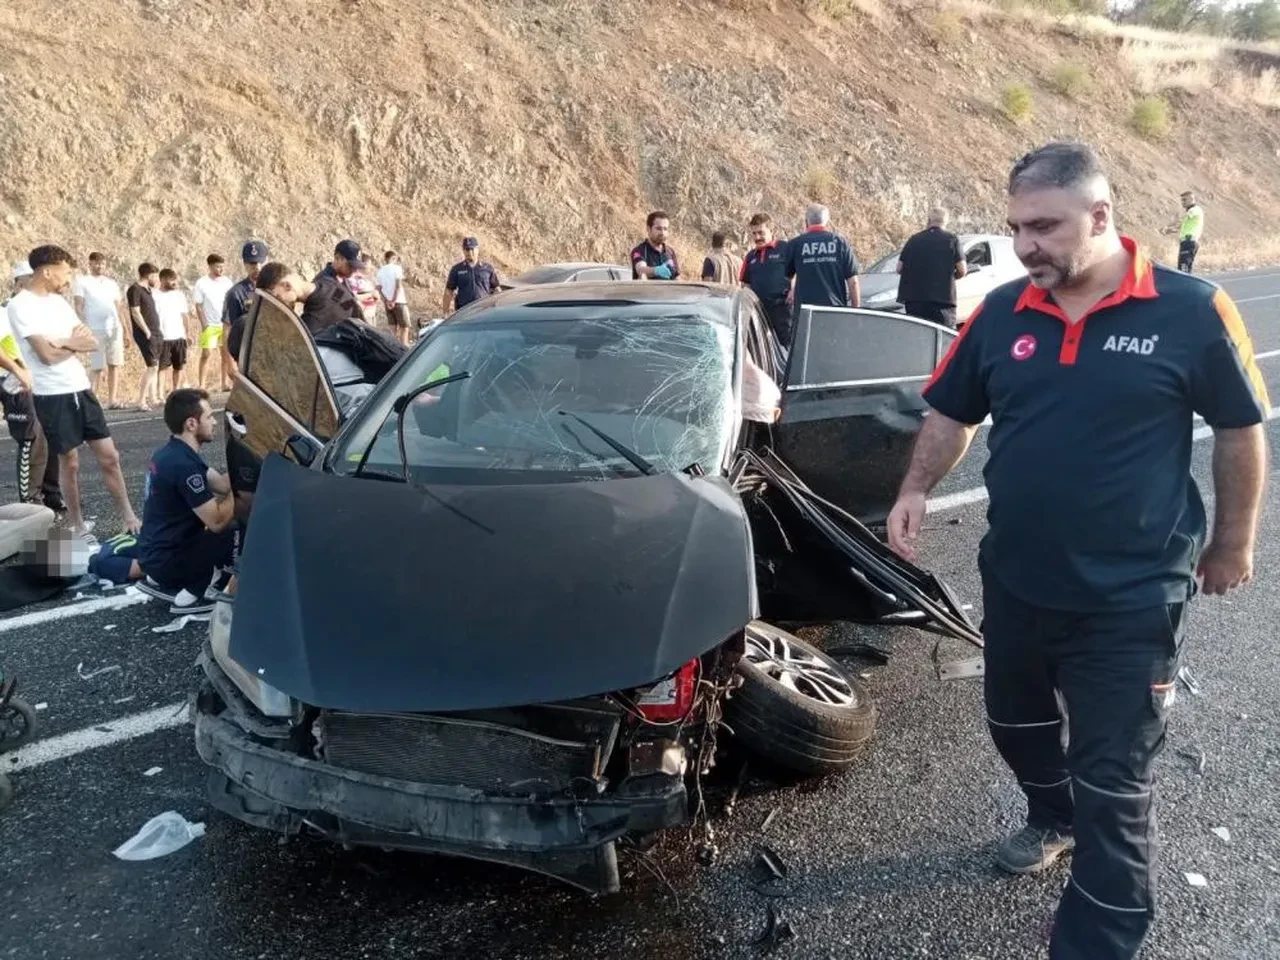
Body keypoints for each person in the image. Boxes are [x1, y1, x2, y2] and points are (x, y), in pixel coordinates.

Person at [885, 142, 1269, 960]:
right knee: (1015, 727)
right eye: (1018, 227)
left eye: (1046, 227)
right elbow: (953, 414)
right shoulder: (1000, 313)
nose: (1028, 245)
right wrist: (916, 487)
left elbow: (1239, 428)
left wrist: (1235, 541)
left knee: (1115, 784)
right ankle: (1049, 814)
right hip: (1019, 580)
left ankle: (1099, 940)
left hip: (1132, 596)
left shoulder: (1191, 309)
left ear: (1100, 217)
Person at [7, 245, 140, 539]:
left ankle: (129, 516)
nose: (67, 279)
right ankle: (78, 525)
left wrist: (61, 341)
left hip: (81, 387)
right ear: (47, 271)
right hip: (52, 395)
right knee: (70, 462)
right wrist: (69, 343)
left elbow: (91, 342)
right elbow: (44, 356)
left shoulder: (59, 303)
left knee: (110, 456)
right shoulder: (21, 305)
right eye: (65, 272)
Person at [136, 389, 236, 614]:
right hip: (170, 562)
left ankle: (169, 576)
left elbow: (221, 484)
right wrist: (243, 492)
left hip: (152, 556)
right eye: (209, 417)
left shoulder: (171, 453)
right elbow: (217, 521)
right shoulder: (185, 467)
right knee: (235, 525)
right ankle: (200, 589)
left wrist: (249, 465)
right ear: (192, 424)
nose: (214, 422)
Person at [0, 261, 63, 511]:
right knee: (31, 439)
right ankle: (31, 505)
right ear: (18, 283)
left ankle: (53, 500)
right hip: (13, 381)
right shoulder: (6, 311)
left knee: (51, 437)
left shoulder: (35, 312)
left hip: (41, 382)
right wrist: (18, 370)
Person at [72, 252, 129, 408]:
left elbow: (119, 307)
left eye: (102, 263)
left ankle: (112, 399)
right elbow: (78, 305)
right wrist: (85, 325)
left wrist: (126, 330)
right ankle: (92, 400)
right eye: (96, 263)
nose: (100, 266)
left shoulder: (111, 283)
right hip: (95, 329)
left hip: (114, 328)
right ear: (89, 264)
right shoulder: (82, 281)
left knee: (114, 364)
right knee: (97, 366)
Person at [894, 207, 967, 328]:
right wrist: (951, 277)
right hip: (943, 303)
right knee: (943, 340)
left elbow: (899, 268)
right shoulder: (952, 240)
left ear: (928, 220)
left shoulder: (914, 240)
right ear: (945, 222)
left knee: (917, 338)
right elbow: (962, 270)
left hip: (915, 301)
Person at [786, 204, 860, 314]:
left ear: (806, 221)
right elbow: (853, 282)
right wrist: (856, 312)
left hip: (805, 313)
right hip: (834, 311)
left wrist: (792, 289)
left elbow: (786, 276)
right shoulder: (840, 242)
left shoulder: (795, 244)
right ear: (827, 221)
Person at [255, 262, 364, 336]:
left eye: (277, 298)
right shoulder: (331, 284)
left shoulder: (313, 320)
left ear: (287, 286)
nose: (277, 306)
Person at [740, 213, 792, 345]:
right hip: (758, 312)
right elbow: (745, 284)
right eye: (754, 233)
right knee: (755, 347)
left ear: (772, 230)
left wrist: (794, 290)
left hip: (783, 310)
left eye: (761, 233)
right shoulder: (750, 256)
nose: (757, 237)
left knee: (789, 346)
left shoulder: (786, 249)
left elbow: (800, 273)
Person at [193, 254, 234, 391]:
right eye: (218, 266)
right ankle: (202, 384)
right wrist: (204, 324)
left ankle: (224, 383)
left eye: (222, 266)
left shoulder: (227, 282)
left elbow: (231, 302)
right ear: (210, 266)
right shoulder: (201, 283)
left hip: (225, 323)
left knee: (225, 354)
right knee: (207, 354)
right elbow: (198, 305)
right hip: (210, 325)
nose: (221, 269)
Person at [224, 240, 269, 362]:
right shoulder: (236, 293)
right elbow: (228, 329)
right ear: (244, 264)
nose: (257, 268)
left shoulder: (277, 288)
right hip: (248, 357)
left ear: (267, 261)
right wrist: (230, 362)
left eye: (261, 262)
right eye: (252, 264)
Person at [126, 263, 163, 410]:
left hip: (156, 331)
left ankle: (153, 398)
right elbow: (135, 311)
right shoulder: (134, 289)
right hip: (146, 334)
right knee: (151, 366)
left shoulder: (147, 290)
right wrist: (146, 331)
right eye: (155, 276)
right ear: (149, 275)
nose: (156, 279)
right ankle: (141, 401)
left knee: (155, 366)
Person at [153, 269, 195, 395]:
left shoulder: (179, 295)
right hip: (163, 337)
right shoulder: (154, 295)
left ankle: (175, 391)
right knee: (162, 367)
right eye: (171, 280)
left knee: (179, 366)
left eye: (175, 280)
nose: (174, 282)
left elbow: (185, 316)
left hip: (179, 336)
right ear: (163, 280)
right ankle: (160, 394)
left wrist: (188, 333)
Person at [442, 237, 500, 314]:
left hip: (484, 311)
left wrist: (497, 310)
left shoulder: (487, 268)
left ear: (477, 250)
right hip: (464, 312)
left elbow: (497, 289)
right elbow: (448, 292)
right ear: (463, 251)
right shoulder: (457, 269)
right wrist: (445, 313)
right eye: (467, 249)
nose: (469, 252)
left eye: (472, 249)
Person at [630, 212, 680, 280]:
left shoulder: (670, 251)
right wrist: (656, 270)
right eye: (658, 228)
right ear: (648, 229)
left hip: (669, 290)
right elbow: (641, 270)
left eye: (665, 229)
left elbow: (676, 278)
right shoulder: (640, 250)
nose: (662, 233)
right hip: (647, 290)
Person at [377, 250, 411, 346]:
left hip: (387, 303)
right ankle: (404, 348)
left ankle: (394, 349)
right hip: (399, 301)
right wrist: (394, 300)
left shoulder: (380, 271)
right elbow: (398, 286)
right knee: (404, 327)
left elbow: (379, 289)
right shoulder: (397, 268)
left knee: (392, 329)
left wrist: (387, 301)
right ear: (393, 258)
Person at [347, 252, 382, 325]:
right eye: (369, 264)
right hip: (363, 316)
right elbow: (353, 297)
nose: (371, 267)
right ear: (362, 264)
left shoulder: (366, 279)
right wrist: (371, 294)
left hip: (371, 314)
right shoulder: (354, 279)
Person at [1178, 190, 1205, 273]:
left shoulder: (1194, 210)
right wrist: (1169, 230)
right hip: (1187, 242)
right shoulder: (1193, 211)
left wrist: (1167, 226)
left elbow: (1182, 219)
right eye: (1182, 200)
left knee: (1183, 268)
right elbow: (1183, 226)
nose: (1183, 202)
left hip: (1189, 242)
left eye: (1185, 200)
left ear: (1191, 199)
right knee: (1183, 267)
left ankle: (1184, 285)